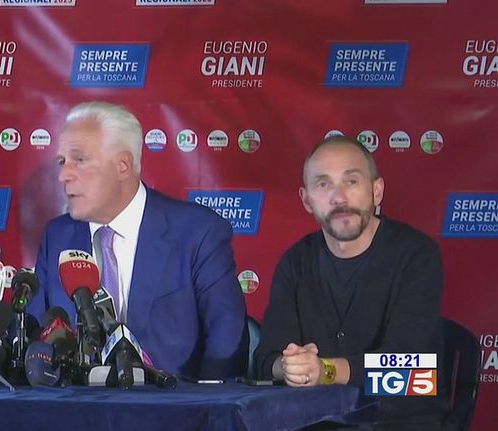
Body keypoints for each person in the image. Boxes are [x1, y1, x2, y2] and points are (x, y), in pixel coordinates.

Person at [28, 101, 248, 379]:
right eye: (62, 162)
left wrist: (207, 402)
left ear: (123, 165)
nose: (63, 175)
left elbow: (227, 337)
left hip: (174, 402)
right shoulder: (57, 236)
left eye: (79, 160)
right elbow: (36, 333)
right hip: (75, 402)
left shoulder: (197, 232)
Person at [254, 136, 453, 429]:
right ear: (307, 200)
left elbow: (413, 373)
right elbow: (265, 360)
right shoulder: (295, 261)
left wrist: (327, 371)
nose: (339, 197)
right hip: (315, 420)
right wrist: (289, 368)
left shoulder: (417, 254)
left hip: (400, 421)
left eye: (351, 181)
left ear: (377, 190)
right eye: (324, 184)